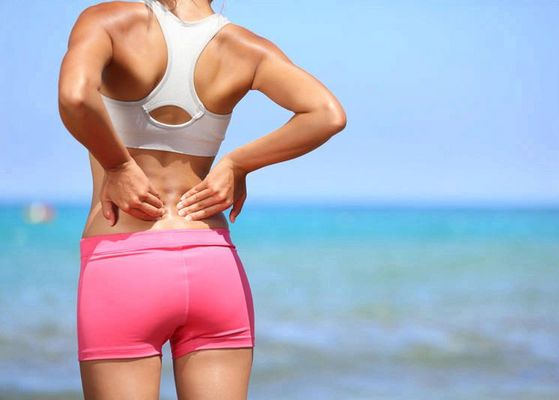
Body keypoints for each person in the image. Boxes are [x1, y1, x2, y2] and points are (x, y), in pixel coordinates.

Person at [58, 0, 347, 398]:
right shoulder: (245, 47)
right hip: (213, 264)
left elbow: (74, 97)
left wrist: (118, 166)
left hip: (125, 260)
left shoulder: (109, 21)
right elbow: (327, 114)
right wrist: (238, 165)